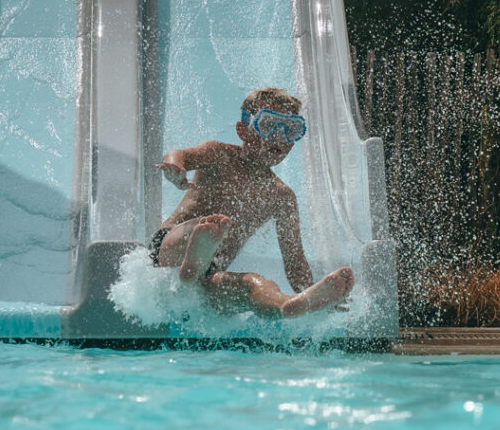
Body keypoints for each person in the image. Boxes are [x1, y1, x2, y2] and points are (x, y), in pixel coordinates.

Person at [149, 87, 354, 318]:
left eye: (290, 129)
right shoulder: (220, 154)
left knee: (254, 284)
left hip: (210, 275)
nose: (279, 135)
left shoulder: (282, 196)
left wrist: (309, 291)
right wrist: (175, 167)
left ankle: (288, 305)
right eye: (268, 125)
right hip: (169, 250)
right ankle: (193, 260)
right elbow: (181, 155)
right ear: (242, 131)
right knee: (204, 226)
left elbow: (295, 261)